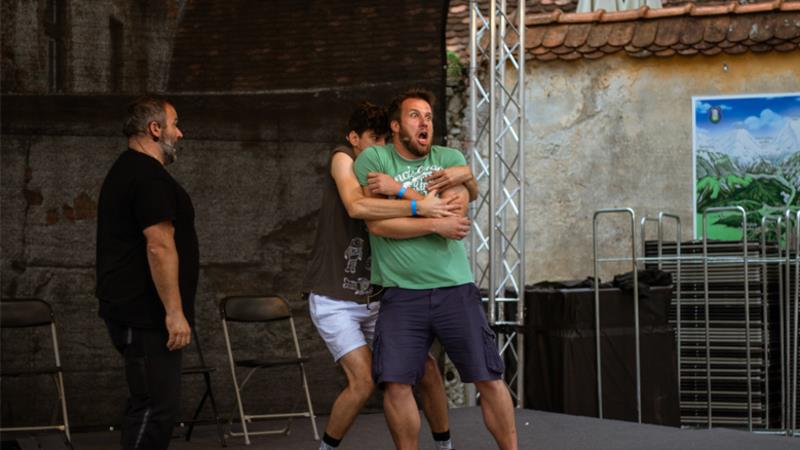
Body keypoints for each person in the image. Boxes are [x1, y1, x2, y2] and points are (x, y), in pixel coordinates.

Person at [303, 101, 476, 450]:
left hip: (377, 296)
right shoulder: (344, 159)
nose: (381, 147)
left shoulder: (393, 174)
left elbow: (442, 202)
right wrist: (418, 205)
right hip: (336, 297)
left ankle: (444, 445)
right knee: (364, 381)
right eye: (373, 139)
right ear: (354, 139)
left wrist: (464, 176)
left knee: (426, 370)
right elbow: (357, 206)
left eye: (385, 139)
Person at [354, 89, 518, 450]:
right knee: (396, 383)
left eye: (428, 116)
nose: (424, 122)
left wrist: (401, 194)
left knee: (489, 377)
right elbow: (378, 224)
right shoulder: (374, 159)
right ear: (395, 126)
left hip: (454, 288)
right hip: (401, 293)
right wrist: (430, 219)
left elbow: (453, 216)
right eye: (414, 116)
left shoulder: (449, 159)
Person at [96, 96, 196, 450]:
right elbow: (159, 246)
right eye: (175, 124)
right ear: (155, 129)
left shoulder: (130, 170)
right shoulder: (147, 176)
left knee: (149, 404)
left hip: (138, 313)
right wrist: (174, 313)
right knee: (156, 409)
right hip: (146, 315)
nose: (180, 133)